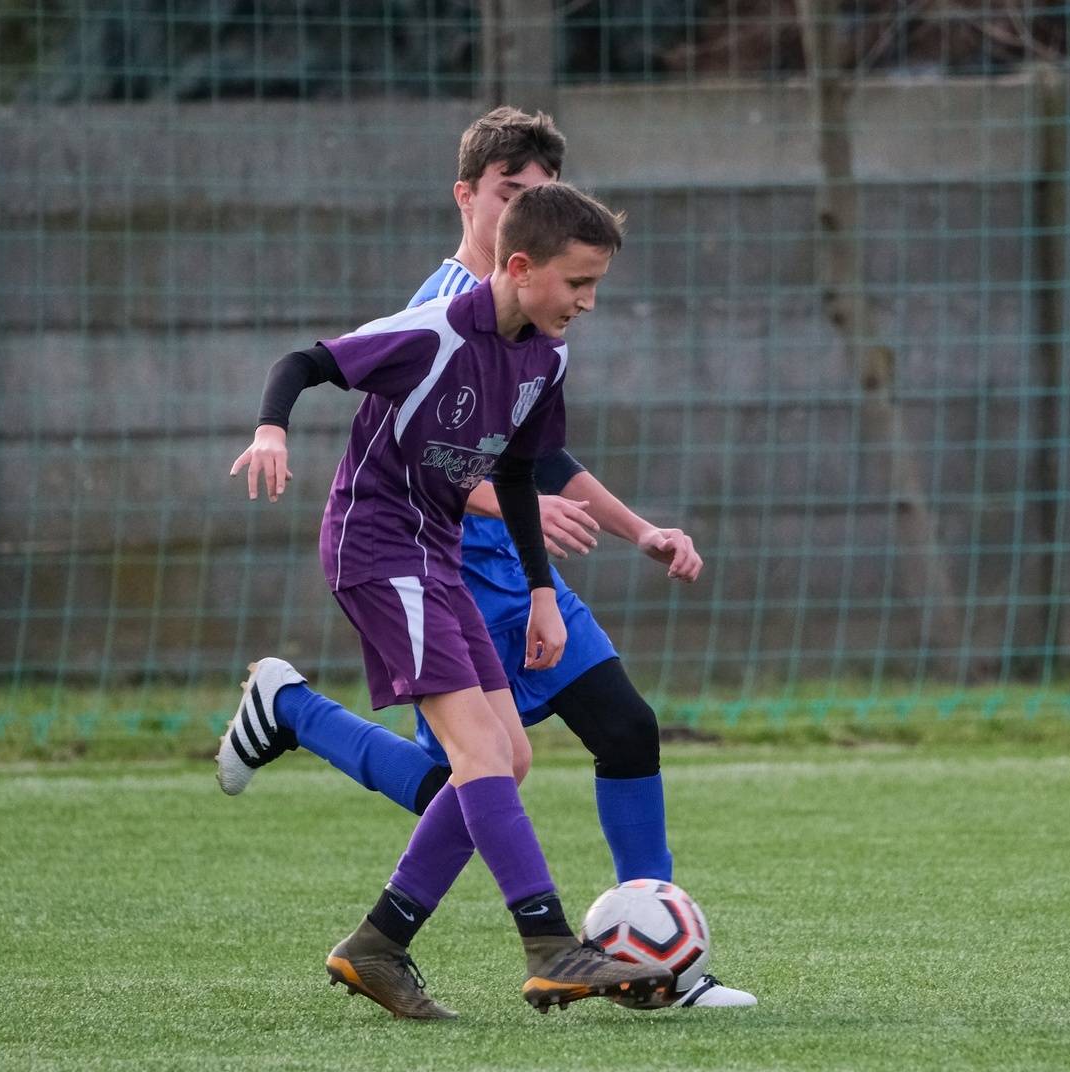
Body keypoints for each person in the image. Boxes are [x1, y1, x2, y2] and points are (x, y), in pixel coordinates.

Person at [222, 107, 756, 1009]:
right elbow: (306, 362)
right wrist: (271, 429)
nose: (587, 302)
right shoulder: (434, 325)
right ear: (506, 242)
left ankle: (378, 944)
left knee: (507, 760)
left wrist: (550, 587)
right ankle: (551, 945)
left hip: (448, 559)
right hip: (383, 549)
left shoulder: (543, 355)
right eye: (578, 283)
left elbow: (516, 469)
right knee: (471, 764)